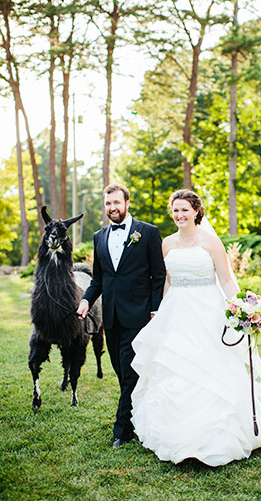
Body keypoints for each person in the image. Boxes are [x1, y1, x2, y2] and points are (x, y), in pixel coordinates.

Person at [129, 189, 261, 466]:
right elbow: (168, 280)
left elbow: (227, 280)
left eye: (185, 209)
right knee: (174, 366)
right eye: (175, 210)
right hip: (176, 312)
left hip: (207, 310)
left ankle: (217, 435)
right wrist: (159, 311)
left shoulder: (210, 242)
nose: (179, 215)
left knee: (210, 366)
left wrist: (241, 307)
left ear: (196, 211)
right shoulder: (167, 244)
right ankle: (175, 433)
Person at [77, 183, 167, 448]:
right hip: (111, 318)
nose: (112, 208)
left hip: (139, 316)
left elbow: (158, 276)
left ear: (127, 203)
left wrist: (154, 310)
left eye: (116, 202)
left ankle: (122, 430)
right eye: (107, 204)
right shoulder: (99, 237)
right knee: (122, 371)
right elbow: (99, 279)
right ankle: (142, 415)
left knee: (129, 372)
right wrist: (85, 300)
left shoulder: (148, 233)